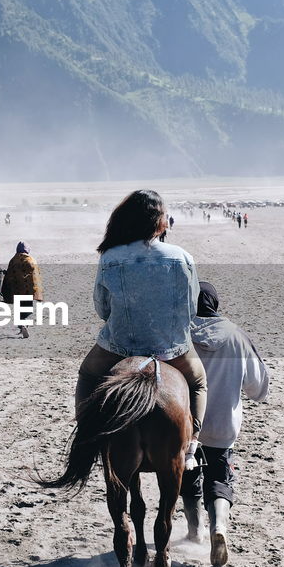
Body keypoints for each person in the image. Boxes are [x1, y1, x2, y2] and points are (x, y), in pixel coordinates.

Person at [76, 190, 206, 464]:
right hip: (172, 348)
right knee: (197, 382)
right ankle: (192, 443)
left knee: (88, 374)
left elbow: (102, 308)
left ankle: (87, 438)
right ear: (159, 222)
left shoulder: (110, 257)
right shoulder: (182, 256)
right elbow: (191, 307)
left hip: (120, 347)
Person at [182, 282, 269, 567]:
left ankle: (195, 532)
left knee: (187, 477)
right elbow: (258, 389)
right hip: (222, 424)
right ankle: (219, 526)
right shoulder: (236, 336)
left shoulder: (179, 333)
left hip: (185, 425)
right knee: (219, 476)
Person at [3, 241, 44, 338]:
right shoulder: (31, 260)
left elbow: (9, 274)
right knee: (27, 309)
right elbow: (36, 276)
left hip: (17, 289)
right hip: (28, 290)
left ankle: (21, 327)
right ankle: (24, 324)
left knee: (18, 309)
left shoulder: (13, 260)